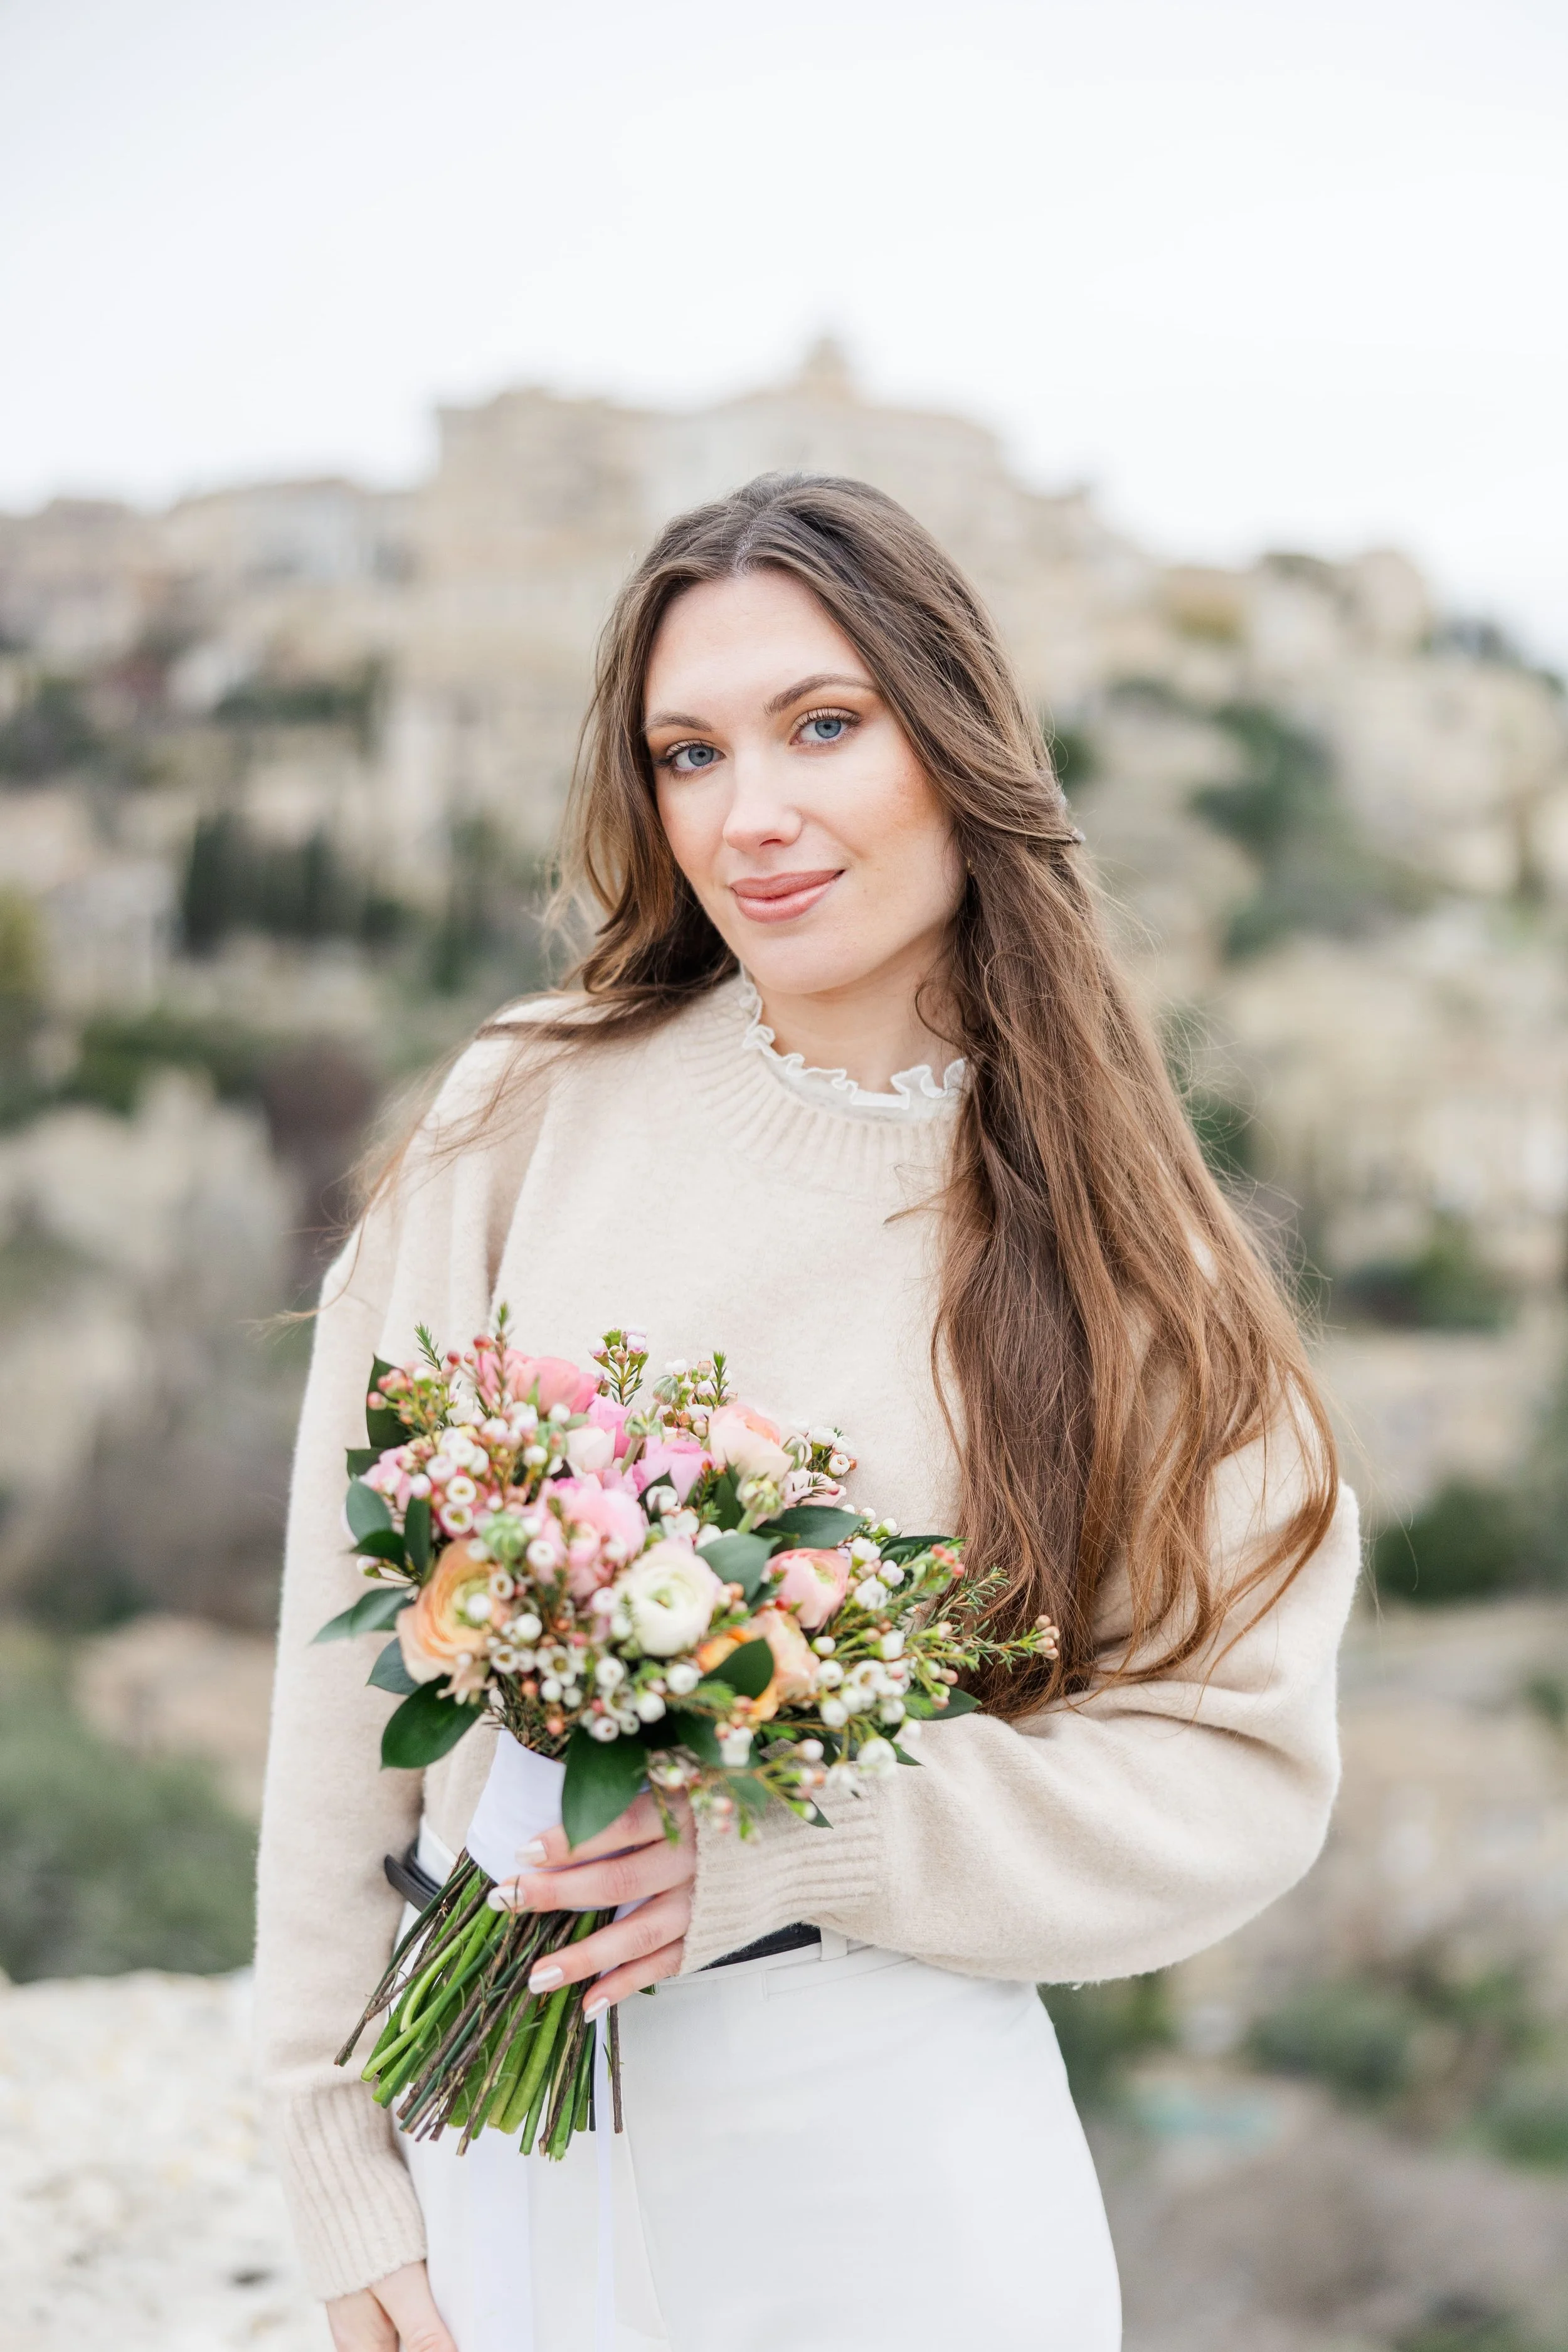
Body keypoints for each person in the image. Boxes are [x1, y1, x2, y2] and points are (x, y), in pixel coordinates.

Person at [255, 473, 1360, 2352]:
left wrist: (804, 1834)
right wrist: (327, 2146)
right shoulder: (526, 1110)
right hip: (494, 2140)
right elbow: (338, 1658)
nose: (746, 816)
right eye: (687, 752)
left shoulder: (1128, 1257)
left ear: (958, 744)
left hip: (886, 2162)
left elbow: (1230, 1769)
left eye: (821, 727)